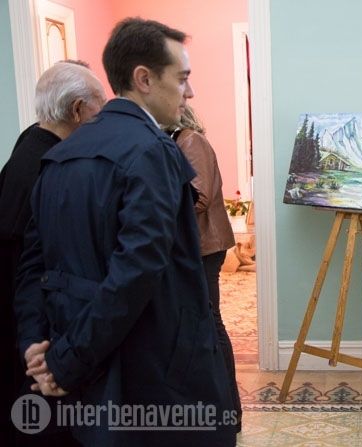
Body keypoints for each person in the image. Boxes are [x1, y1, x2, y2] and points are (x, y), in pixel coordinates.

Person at [14, 18, 237, 446]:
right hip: (152, 377)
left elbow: (33, 268)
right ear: (144, 79)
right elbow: (135, 273)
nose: (189, 92)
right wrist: (64, 361)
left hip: (87, 372)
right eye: (182, 78)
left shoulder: (60, 154)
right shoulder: (153, 152)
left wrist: (34, 344)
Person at [0, 60, 105, 447]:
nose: (102, 117)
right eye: (99, 106)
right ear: (77, 110)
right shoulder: (50, 168)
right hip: (32, 336)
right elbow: (32, 263)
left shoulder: (30, 143)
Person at [168, 105, 241, 430]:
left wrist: (157, 208)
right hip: (195, 247)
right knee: (203, 322)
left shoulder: (190, 140)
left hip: (205, 247)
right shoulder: (180, 141)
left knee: (212, 323)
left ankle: (230, 412)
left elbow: (199, 196)